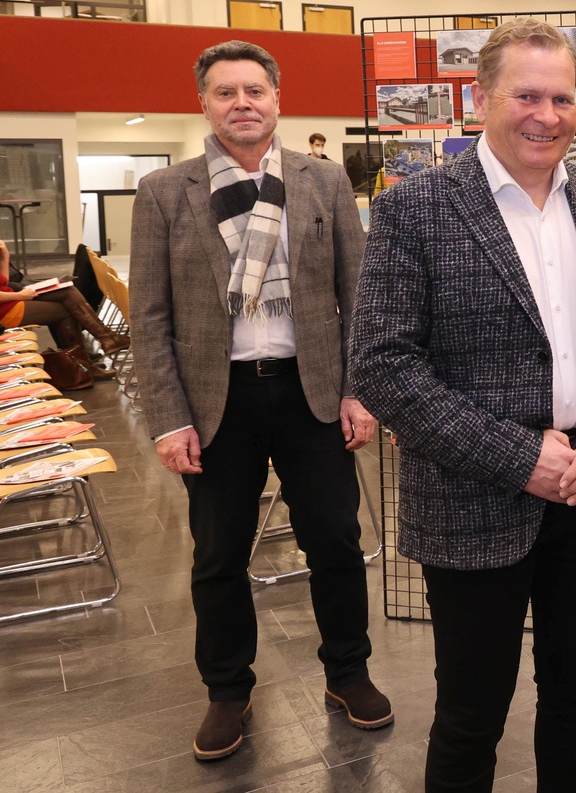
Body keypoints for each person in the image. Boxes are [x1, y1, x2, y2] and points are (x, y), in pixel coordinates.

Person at [348, 18, 576, 793]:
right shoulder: (415, 209)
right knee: (471, 713)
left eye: (562, 98)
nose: (547, 115)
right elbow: (384, 366)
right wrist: (518, 457)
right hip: (471, 501)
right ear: (481, 99)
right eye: (527, 95)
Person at [128, 40, 389, 761]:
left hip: (312, 394)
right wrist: (169, 420)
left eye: (254, 90)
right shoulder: (164, 192)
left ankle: (348, 672)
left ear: (276, 99)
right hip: (217, 404)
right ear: (204, 104)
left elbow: (359, 297)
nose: (241, 103)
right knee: (218, 556)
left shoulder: (323, 180)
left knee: (335, 542)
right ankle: (227, 690)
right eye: (225, 92)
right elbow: (149, 316)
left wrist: (359, 392)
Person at [0, 239, 129, 380]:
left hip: (10, 302)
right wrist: (20, 295)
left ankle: (88, 362)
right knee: (66, 309)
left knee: (67, 292)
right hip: (5, 312)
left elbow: (3, 283)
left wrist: (5, 256)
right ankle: (97, 352)